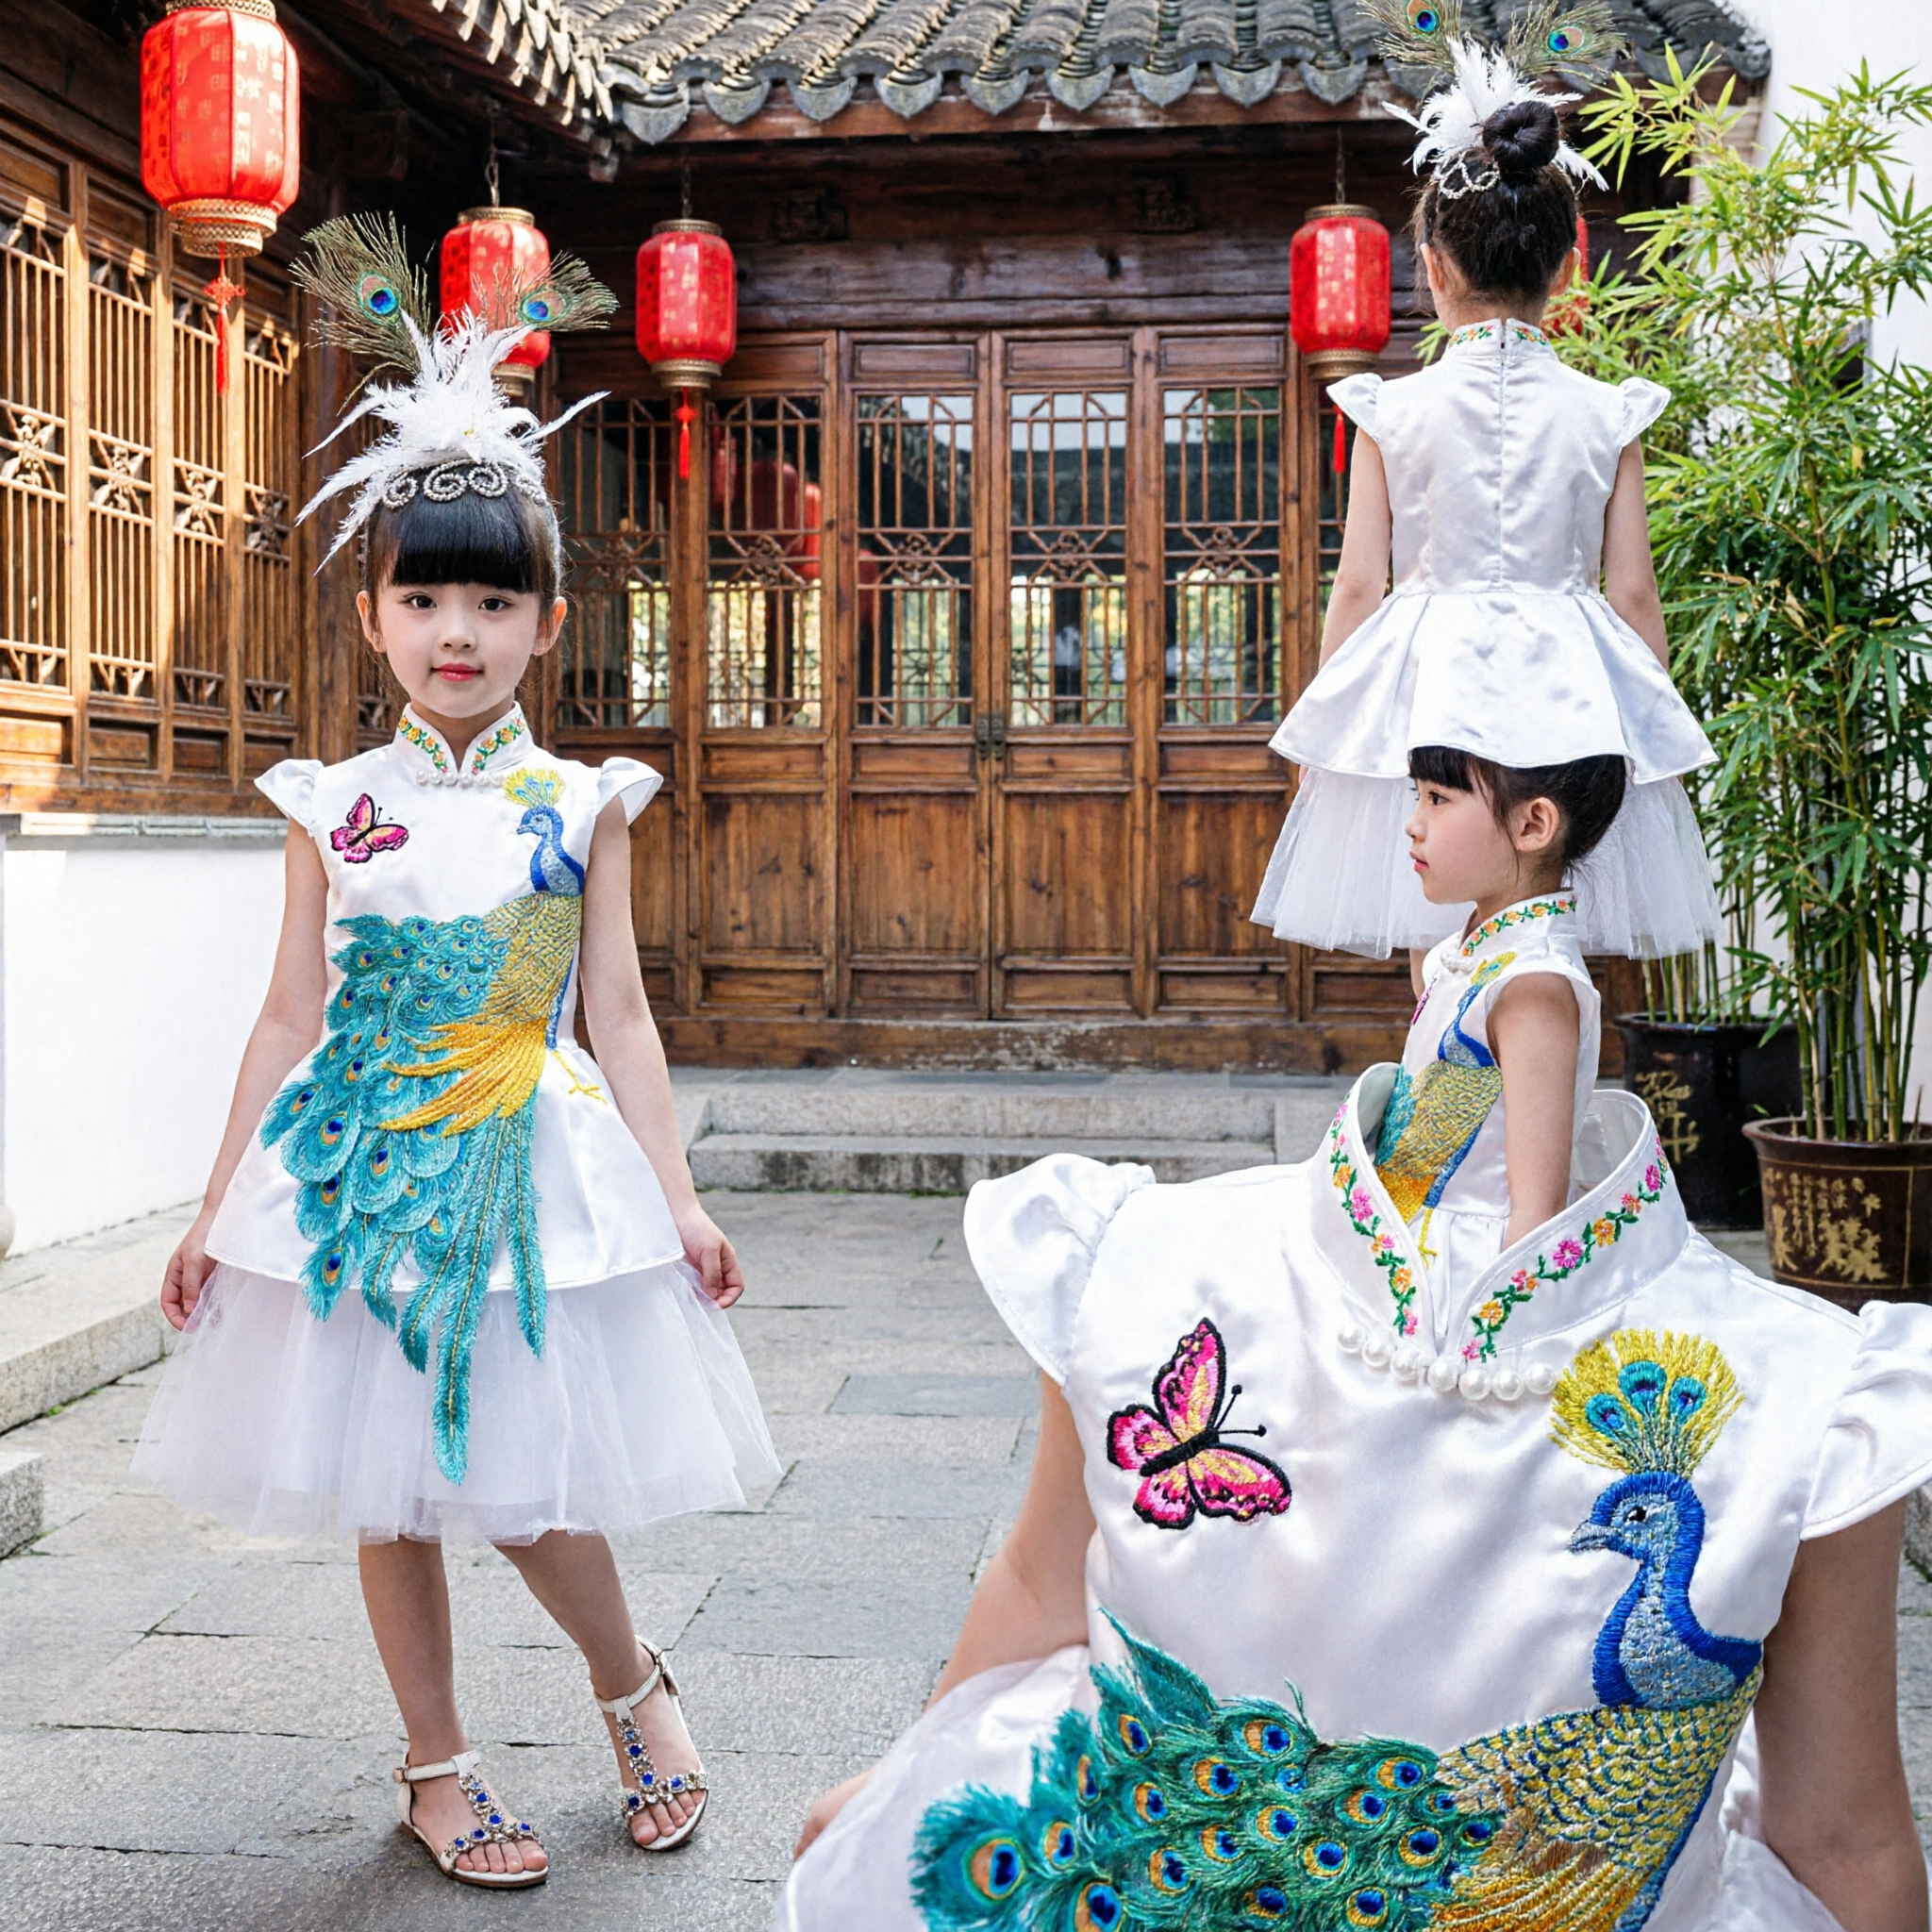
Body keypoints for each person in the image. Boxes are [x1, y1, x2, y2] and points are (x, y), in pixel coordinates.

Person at [779, 736, 1932, 1930]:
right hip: (1398, 1236)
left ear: (1532, 823)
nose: (1409, 821)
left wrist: (1484, 1328)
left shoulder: (1534, 982)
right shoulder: (1458, 982)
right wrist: (908, 1774)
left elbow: (1531, 1206)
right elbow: (1039, 1577)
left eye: (1438, 796)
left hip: (1491, 1286)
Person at [133, 219, 779, 1889]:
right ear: (370, 613)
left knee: (518, 1476)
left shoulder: (584, 802)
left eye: (493, 598)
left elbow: (617, 1012)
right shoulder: (324, 802)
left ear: (545, 623)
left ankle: (632, 1685)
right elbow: (288, 1010)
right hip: (353, 1158)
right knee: (389, 1479)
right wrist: (214, 1207)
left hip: (526, 1150)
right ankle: (436, 1765)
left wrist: (682, 1195)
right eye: (423, 595)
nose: (456, 630)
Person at [1253, 11, 1719, 963]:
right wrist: (1656, 741)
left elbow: (1355, 589)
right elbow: (1630, 593)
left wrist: (1318, 748)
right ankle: (1527, 1089)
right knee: (1544, 933)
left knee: (1444, 935)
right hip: (1571, 692)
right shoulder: (1608, 412)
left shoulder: (1388, 410)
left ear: (1427, 267)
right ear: (1562, 264)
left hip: (1428, 694)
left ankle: (1459, 1098)